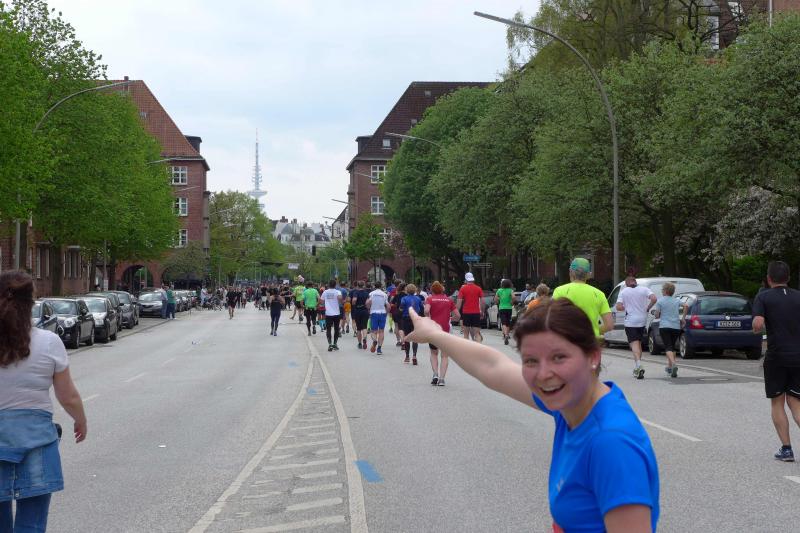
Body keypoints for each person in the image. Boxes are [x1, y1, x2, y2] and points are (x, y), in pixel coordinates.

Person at [405, 298, 660, 532]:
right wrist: (435, 334)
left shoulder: (611, 442)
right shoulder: (573, 404)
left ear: (593, 356)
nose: (543, 374)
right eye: (530, 361)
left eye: (559, 357)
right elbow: (493, 367)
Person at [0, 271, 88, 533]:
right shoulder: (49, 342)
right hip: (37, 442)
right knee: (32, 525)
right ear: (32, 303)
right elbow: (67, 396)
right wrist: (80, 420)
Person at [752, 260, 800, 462]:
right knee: (795, 402)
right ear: (788, 278)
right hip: (798, 356)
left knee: (777, 402)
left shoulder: (763, 297)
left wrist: (757, 327)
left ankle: (787, 450)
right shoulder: (798, 296)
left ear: (769, 278)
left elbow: (758, 324)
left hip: (777, 356)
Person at [552, 257, 613, 341]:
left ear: (570, 272)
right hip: (590, 342)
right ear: (588, 275)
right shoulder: (599, 294)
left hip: (567, 341)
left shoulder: (559, 291)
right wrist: (594, 331)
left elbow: (552, 320)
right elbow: (609, 325)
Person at [615, 275, 657, 379]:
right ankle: (637, 366)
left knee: (634, 344)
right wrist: (648, 307)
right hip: (642, 321)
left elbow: (618, 307)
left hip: (631, 321)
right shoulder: (644, 289)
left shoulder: (624, 291)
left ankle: (638, 365)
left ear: (626, 284)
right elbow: (654, 298)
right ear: (635, 282)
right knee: (638, 343)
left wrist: (626, 307)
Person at [425, 281, 459, 386]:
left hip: (433, 329)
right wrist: (450, 318)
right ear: (442, 290)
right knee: (444, 355)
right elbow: (458, 316)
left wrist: (428, 318)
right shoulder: (449, 300)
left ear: (432, 290)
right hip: (446, 329)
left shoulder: (430, 299)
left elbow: (426, 311)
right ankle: (442, 379)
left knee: (434, 353)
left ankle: (435, 374)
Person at [652, 282, 684, 379]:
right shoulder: (676, 300)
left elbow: (657, 315)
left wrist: (656, 314)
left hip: (665, 327)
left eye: (662, 289)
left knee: (668, 347)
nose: (662, 291)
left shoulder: (660, 301)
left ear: (665, 291)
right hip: (676, 327)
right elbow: (686, 306)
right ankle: (670, 368)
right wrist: (683, 318)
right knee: (672, 347)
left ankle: (673, 364)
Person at [457, 272, 485, 343]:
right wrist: (482, 311)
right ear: (473, 279)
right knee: (477, 334)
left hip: (466, 313)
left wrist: (457, 312)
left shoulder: (462, 289)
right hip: (476, 313)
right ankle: (479, 348)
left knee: (466, 334)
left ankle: (467, 349)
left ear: (466, 280)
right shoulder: (478, 288)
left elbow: (459, 302)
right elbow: (482, 302)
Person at [400, 284, 424, 364]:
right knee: (415, 338)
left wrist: (401, 310)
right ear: (414, 290)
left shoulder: (404, 298)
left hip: (406, 318)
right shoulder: (418, 298)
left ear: (407, 290)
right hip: (415, 319)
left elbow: (401, 307)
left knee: (407, 337)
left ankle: (407, 357)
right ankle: (414, 356)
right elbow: (421, 308)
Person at [366, 281, 389, 355]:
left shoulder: (371, 294)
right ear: (381, 286)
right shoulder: (384, 294)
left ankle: (374, 340)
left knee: (373, 331)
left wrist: (369, 309)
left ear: (374, 286)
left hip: (374, 313)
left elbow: (367, 303)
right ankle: (379, 349)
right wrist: (386, 313)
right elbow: (388, 306)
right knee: (381, 331)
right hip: (382, 313)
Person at [321, 280, 343, 351]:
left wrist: (325, 304)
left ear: (328, 285)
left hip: (328, 313)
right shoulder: (338, 292)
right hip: (336, 313)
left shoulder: (325, 292)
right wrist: (340, 300)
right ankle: (335, 344)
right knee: (336, 329)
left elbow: (322, 301)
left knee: (328, 329)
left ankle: (330, 344)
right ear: (335, 285)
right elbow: (340, 299)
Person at [495, 279, 516, 345]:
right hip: (509, 308)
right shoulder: (510, 290)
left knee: (503, 322)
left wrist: (498, 302)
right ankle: (507, 334)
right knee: (508, 322)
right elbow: (514, 297)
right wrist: (512, 302)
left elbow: (495, 299)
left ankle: (505, 335)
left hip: (501, 308)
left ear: (502, 284)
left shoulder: (499, 290)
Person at [350, 281, 370, 349]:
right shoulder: (366, 293)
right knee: (364, 327)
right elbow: (368, 303)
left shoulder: (356, 292)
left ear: (358, 286)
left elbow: (354, 300)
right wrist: (367, 308)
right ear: (363, 285)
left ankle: (359, 343)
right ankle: (364, 338)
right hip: (365, 311)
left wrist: (354, 304)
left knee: (358, 328)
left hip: (357, 311)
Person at [390, 282, 406, 347]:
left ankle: (398, 341)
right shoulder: (407, 295)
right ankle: (403, 340)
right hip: (405, 312)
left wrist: (396, 305)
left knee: (397, 326)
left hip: (397, 312)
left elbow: (392, 304)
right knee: (403, 327)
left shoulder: (397, 295)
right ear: (405, 288)